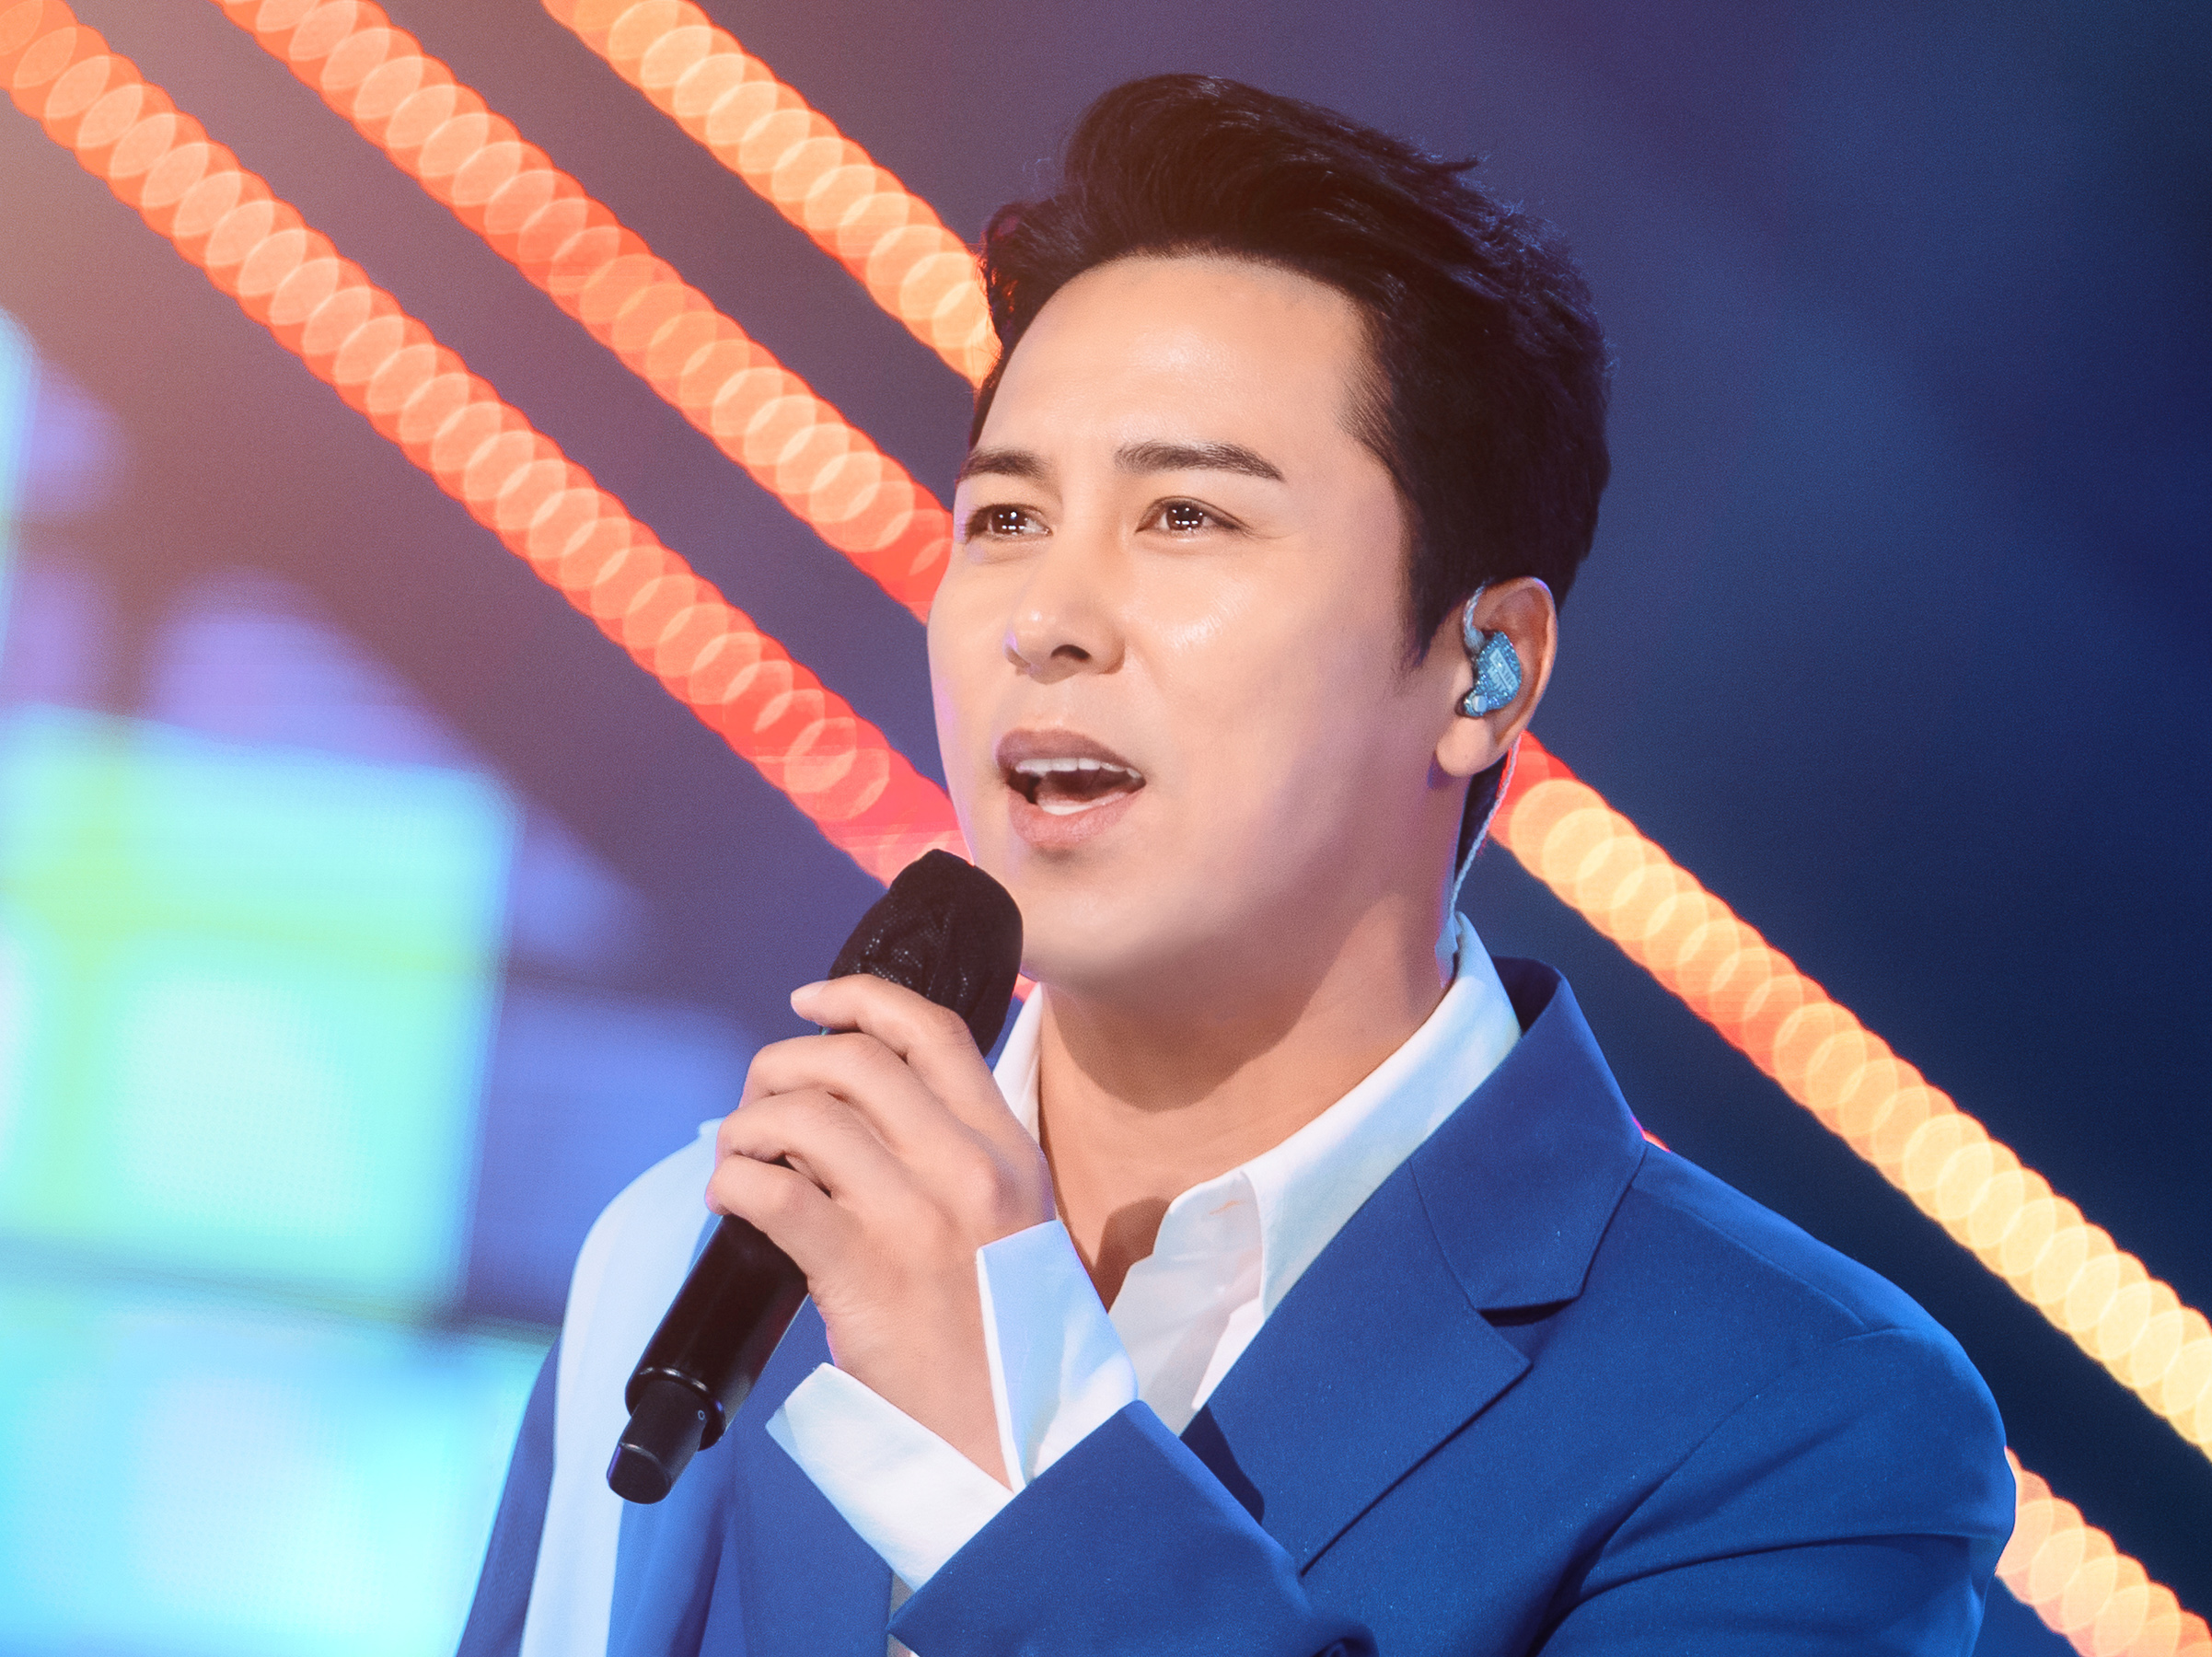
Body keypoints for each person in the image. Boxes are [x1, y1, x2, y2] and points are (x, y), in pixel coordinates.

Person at [459, 73, 2015, 1657]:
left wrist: (1019, 1474)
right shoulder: (703, 1253)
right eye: (1005, 520)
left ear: (1484, 670)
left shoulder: (1804, 1412)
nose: (1045, 619)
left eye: (1187, 516)